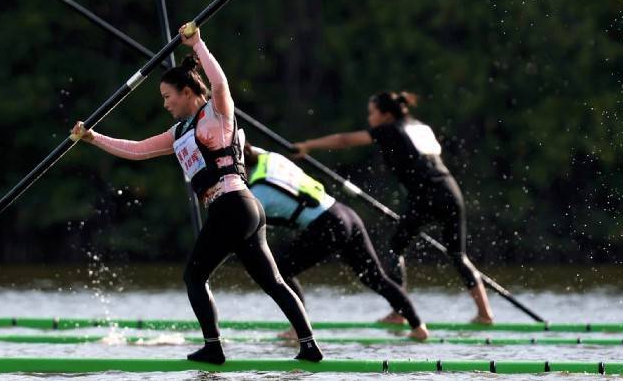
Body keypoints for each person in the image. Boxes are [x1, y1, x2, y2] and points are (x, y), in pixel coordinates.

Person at [71, 25, 323, 364]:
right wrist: (93, 138)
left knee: (194, 276)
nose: (165, 104)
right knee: (273, 282)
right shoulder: (179, 131)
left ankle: (214, 348)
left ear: (188, 91)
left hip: (233, 207)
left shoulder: (217, 114)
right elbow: (137, 150)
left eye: (167, 96)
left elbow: (219, 83)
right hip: (244, 209)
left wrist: (199, 43)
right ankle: (309, 346)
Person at [291, 91, 494, 324]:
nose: (369, 118)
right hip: (451, 191)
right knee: (458, 255)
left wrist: (308, 145)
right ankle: (485, 314)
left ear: (386, 115)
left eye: (372, 113)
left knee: (394, 248)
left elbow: (345, 140)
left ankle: (399, 313)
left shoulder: (388, 129)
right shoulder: (420, 127)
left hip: (425, 196)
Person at [244, 142, 430, 340]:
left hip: (327, 225)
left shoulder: (257, 193)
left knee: (281, 270)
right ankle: (418, 326)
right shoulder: (270, 158)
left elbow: (242, 226)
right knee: (375, 277)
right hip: (345, 213)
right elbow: (249, 150)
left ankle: (299, 329)